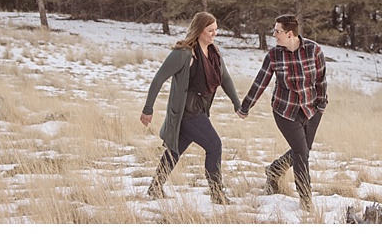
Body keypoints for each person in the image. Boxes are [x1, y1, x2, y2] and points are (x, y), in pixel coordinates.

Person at [140, 11, 242, 204]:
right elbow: (159, 78)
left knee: (174, 150)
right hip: (187, 113)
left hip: (200, 109)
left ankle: (155, 187)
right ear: (199, 30)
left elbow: (225, 78)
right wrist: (148, 108)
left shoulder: (213, 53)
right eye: (210, 30)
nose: (214, 34)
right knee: (214, 146)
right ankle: (217, 194)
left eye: (216, 30)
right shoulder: (184, 53)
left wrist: (237, 103)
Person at [239, 14, 329, 210]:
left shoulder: (314, 50)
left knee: (303, 150)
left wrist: (321, 105)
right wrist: (245, 106)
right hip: (285, 110)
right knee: (301, 153)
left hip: (311, 109)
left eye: (277, 31)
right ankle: (306, 201)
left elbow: (321, 80)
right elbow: (260, 82)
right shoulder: (274, 55)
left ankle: (274, 170)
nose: (274, 34)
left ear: (289, 34)